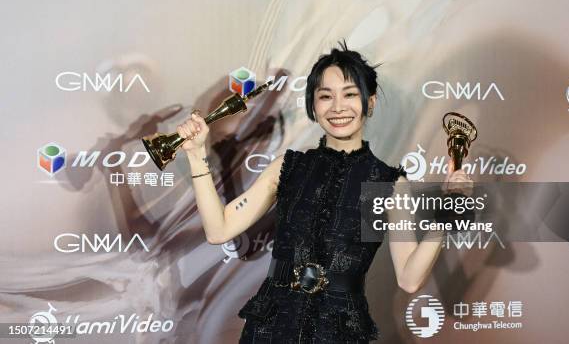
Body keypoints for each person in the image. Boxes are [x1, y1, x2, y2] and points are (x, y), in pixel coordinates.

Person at [176, 41, 472, 343]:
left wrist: (448, 213)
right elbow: (219, 229)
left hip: (339, 331)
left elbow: (409, 279)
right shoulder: (289, 167)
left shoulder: (387, 184)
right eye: (325, 96)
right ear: (313, 106)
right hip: (271, 327)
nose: (338, 107)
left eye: (350, 94)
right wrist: (197, 154)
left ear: (370, 102)